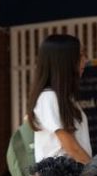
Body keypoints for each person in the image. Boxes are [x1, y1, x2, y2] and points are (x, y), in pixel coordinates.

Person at [28, 34, 93, 164]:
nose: (85, 60)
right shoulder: (48, 98)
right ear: (64, 61)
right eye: (80, 55)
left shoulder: (64, 99)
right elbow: (71, 147)